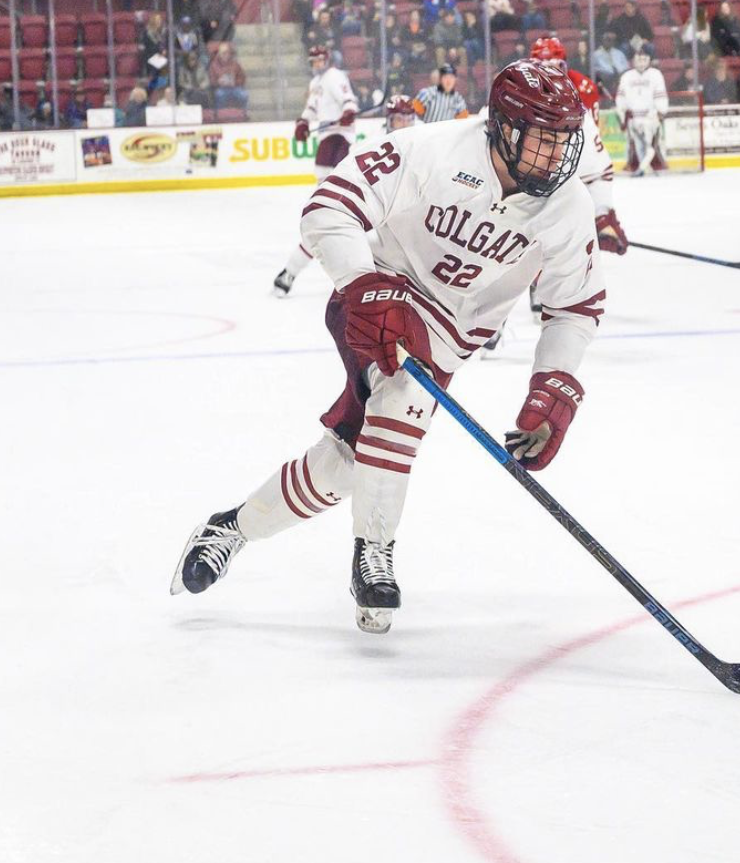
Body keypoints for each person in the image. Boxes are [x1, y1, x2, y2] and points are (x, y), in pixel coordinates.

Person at [171, 61, 605, 636]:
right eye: (541, 140)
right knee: (399, 405)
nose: (556, 157)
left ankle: (230, 528)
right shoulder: (432, 150)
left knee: (348, 462)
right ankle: (373, 554)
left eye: (562, 141)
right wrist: (359, 281)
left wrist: (554, 384)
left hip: (450, 334)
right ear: (503, 127)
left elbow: (574, 306)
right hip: (379, 291)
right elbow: (328, 207)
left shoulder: (568, 206)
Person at [272, 46, 358, 296]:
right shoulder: (316, 82)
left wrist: (348, 113)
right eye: (313, 60)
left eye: (320, 59)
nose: (316, 63)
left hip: (339, 136)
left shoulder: (335, 77)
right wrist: (303, 122)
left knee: (331, 190)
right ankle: (328, 204)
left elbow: (348, 100)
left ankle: (331, 204)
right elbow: (311, 107)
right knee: (322, 180)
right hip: (326, 136)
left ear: (326, 59)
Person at [531, 36, 627, 256]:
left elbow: (592, 151)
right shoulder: (523, 87)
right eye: (542, 67)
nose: (550, 74)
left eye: (556, 66)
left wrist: (600, 214)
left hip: (571, 163)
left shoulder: (583, 88)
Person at [615, 43, 669, 174]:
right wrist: (622, 113)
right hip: (633, 118)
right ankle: (636, 167)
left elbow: (660, 97)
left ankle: (655, 167)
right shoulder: (626, 76)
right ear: (633, 60)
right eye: (638, 59)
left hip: (651, 118)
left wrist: (660, 113)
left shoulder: (655, 75)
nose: (641, 62)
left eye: (644, 59)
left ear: (649, 60)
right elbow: (621, 99)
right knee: (633, 145)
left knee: (653, 145)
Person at [208, 42, 249, 109]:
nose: (226, 55)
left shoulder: (235, 64)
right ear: (219, 53)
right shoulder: (213, 65)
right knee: (219, 94)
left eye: (227, 52)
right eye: (223, 53)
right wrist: (218, 82)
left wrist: (234, 82)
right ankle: (220, 115)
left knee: (244, 95)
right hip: (221, 88)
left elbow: (243, 78)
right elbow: (211, 80)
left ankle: (242, 114)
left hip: (234, 88)